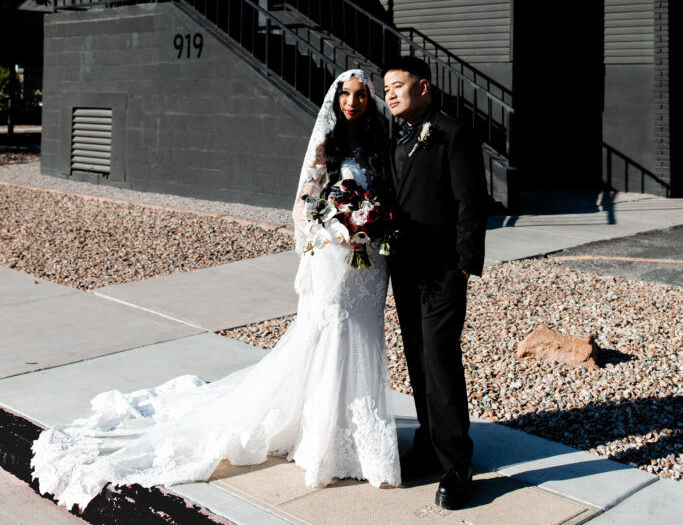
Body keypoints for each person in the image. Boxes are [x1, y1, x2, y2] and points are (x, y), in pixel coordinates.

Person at [32, 69, 400, 510]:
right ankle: (324, 442)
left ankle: (360, 434)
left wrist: (371, 224)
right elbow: (305, 203)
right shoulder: (328, 142)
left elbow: (386, 193)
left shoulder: (380, 141)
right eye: (347, 95)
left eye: (361, 95)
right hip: (335, 256)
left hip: (370, 261)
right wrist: (338, 226)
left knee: (363, 337)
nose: (353, 103)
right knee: (332, 336)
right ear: (336, 98)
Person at [383, 56, 488, 511]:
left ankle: (457, 463)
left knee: (440, 359)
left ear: (423, 87)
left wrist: (464, 264)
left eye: (397, 85)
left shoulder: (453, 132)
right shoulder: (398, 139)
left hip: (442, 269)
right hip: (405, 269)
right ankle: (428, 443)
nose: (389, 93)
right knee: (417, 358)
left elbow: (471, 202)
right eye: (385, 87)